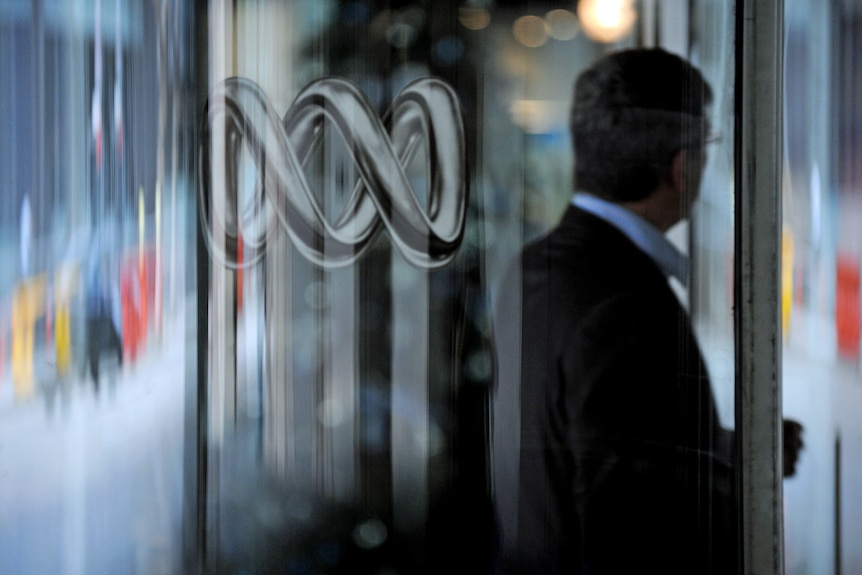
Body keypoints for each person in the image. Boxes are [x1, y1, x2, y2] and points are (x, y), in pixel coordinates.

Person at [492, 48, 736, 574]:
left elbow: (593, 443)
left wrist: (725, 451)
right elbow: (635, 525)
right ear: (681, 165)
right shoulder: (627, 303)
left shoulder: (535, 266)